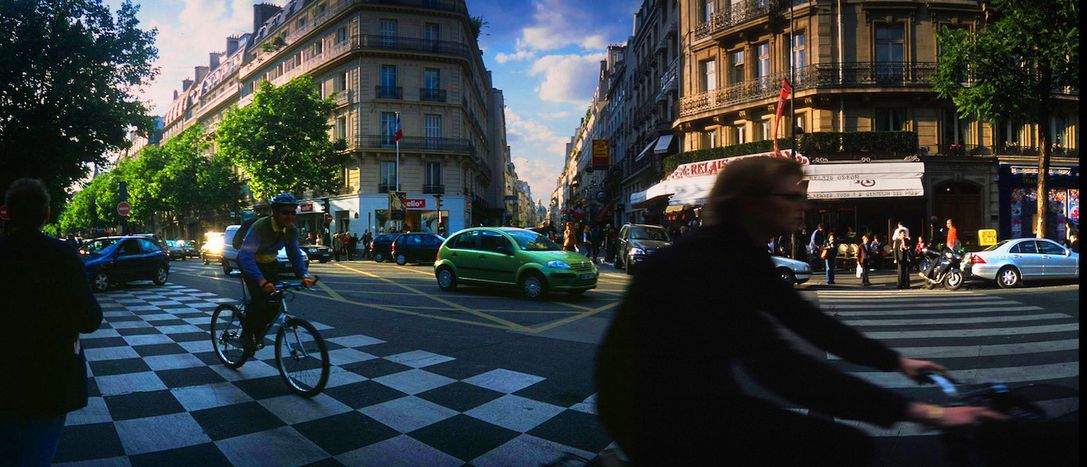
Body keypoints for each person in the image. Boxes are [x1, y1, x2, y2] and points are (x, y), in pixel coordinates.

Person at [593, 158, 1005, 466]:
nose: (803, 204)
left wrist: (898, 362)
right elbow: (781, 369)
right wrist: (922, 412)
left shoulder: (743, 251)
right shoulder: (711, 262)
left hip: (688, 397)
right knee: (842, 446)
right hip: (653, 412)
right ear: (752, 204)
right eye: (792, 196)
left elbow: (810, 323)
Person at [1, 179, 104, 464]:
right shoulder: (62, 255)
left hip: (4, 375)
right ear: (46, 214)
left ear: (8, 213)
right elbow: (90, 319)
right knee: (37, 452)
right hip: (50, 377)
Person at [236, 194, 315, 351]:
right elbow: (245, 256)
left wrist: (304, 275)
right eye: (285, 212)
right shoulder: (260, 227)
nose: (290, 217)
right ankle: (246, 334)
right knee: (259, 299)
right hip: (250, 263)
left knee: (275, 303)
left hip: (270, 263)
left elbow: (294, 254)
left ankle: (257, 332)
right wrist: (261, 281)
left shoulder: (290, 229)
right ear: (275, 213)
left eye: (293, 213)